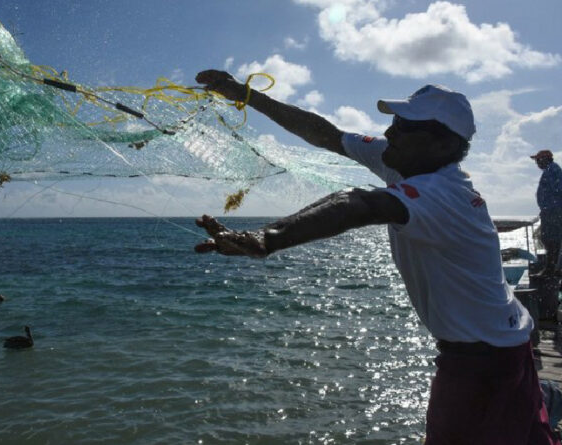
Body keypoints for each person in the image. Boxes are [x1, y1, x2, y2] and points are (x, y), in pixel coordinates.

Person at [193, 70, 559, 444]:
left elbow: (359, 204)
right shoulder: (402, 159)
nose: (390, 133)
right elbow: (325, 134)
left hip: (482, 365)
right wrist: (245, 94)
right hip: (511, 338)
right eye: (394, 122)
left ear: (443, 144)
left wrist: (264, 239)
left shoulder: (444, 195)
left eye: (404, 126)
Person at [531, 149, 562, 277]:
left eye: (538, 160)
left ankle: (550, 270)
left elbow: (557, 191)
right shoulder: (551, 170)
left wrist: (551, 209)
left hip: (553, 212)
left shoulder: (552, 170)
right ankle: (553, 269)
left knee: (551, 239)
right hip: (551, 211)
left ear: (545, 159)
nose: (537, 163)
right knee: (550, 239)